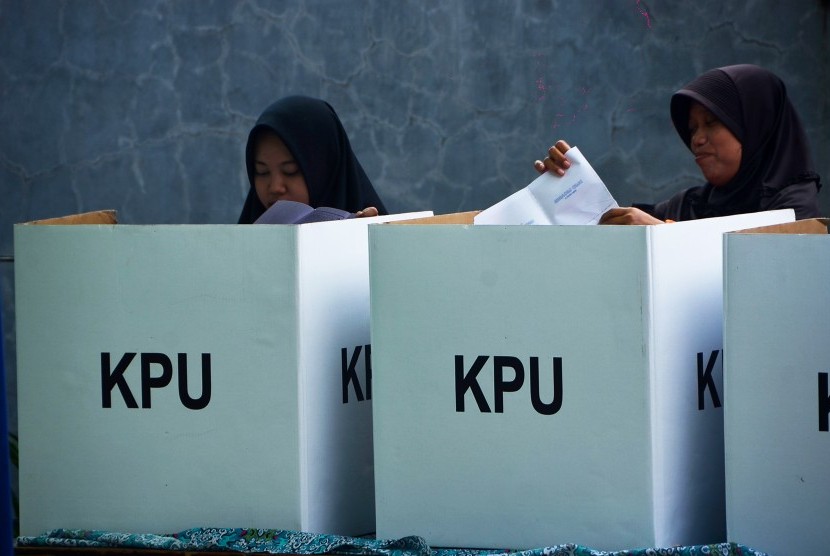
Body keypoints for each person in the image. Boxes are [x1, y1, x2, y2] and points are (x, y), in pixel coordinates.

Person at [534, 64, 822, 224]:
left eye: (712, 122)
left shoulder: (793, 209)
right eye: (692, 128)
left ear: (757, 124)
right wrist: (565, 187)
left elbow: (762, 283)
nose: (696, 139)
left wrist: (663, 238)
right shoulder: (690, 205)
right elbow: (609, 225)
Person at [238, 95, 388, 224]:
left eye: (290, 171)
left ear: (326, 171)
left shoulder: (373, 234)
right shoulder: (238, 246)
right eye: (262, 172)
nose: (275, 187)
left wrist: (366, 242)